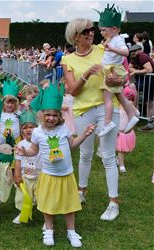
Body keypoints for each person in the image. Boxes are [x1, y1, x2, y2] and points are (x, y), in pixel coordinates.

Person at [17, 83, 96, 247]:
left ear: (59, 115)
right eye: (47, 115)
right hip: (48, 173)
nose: (51, 118)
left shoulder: (64, 128)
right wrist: (26, 153)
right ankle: (48, 229)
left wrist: (85, 135)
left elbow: (72, 144)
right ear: (41, 114)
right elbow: (34, 149)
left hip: (66, 173)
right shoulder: (38, 132)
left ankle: (71, 231)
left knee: (69, 204)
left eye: (54, 115)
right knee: (48, 204)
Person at [62, 18, 125, 221]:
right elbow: (72, 90)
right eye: (86, 31)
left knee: (107, 155)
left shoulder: (103, 49)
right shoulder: (68, 60)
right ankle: (81, 191)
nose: (91, 33)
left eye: (92, 29)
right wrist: (87, 74)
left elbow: (124, 73)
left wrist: (121, 79)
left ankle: (113, 202)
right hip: (83, 109)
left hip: (107, 107)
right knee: (85, 153)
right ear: (75, 37)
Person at [97, 4, 139, 137]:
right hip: (111, 69)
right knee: (119, 94)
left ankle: (108, 122)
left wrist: (111, 48)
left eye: (104, 30)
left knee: (107, 97)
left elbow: (126, 52)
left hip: (112, 71)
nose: (102, 33)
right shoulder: (113, 39)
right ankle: (132, 114)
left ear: (114, 29)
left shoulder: (117, 40)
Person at [13, 110, 41, 224]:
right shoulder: (20, 144)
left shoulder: (41, 142)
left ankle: (47, 217)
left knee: (41, 196)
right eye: (25, 128)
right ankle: (23, 212)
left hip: (40, 175)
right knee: (23, 195)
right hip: (25, 176)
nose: (28, 129)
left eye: (31, 127)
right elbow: (18, 161)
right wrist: (17, 175)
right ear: (21, 131)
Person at [129, 44, 154, 131]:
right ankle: (134, 118)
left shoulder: (143, 56)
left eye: (134, 51)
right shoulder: (135, 57)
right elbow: (129, 68)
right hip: (144, 81)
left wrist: (135, 71)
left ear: (139, 50)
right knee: (146, 101)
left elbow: (149, 69)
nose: (132, 53)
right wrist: (136, 71)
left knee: (149, 102)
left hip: (150, 81)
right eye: (131, 52)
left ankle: (149, 124)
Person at [116, 86, 139, 173]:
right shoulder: (118, 107)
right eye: (127, 98)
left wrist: (132, 107)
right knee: (121, 150)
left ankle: (118, 158)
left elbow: (137, 114)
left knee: (127, 150)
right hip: (120, 133)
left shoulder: (131, 107)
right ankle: (121, 165)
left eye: (131, 98)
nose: (129, 100)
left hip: (129, 133)